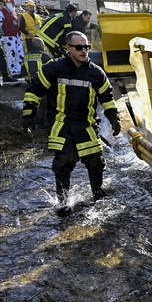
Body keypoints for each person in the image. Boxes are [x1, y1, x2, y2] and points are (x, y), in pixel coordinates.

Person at [22, 31, 121, 216]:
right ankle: (63, 202)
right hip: (62, 125)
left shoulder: (96, 72)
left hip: (87, 125)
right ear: (68, 48)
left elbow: (107, 97)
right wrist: (29, 114)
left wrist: (114, 117)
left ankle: (98, 195)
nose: (84, 51)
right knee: (63, 164)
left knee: (96, 162)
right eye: (79, 47)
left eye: (86, 47)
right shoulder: (53, 68)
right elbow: (34, 89)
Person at [0, 0, 25, 77]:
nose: (14, 4)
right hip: (8, 36)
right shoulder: (1, 12)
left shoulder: (13, 12)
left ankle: (18, 70)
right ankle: (12, 72)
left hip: (17, 35)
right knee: (11, 54)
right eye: (12, 2)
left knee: (19, 53)